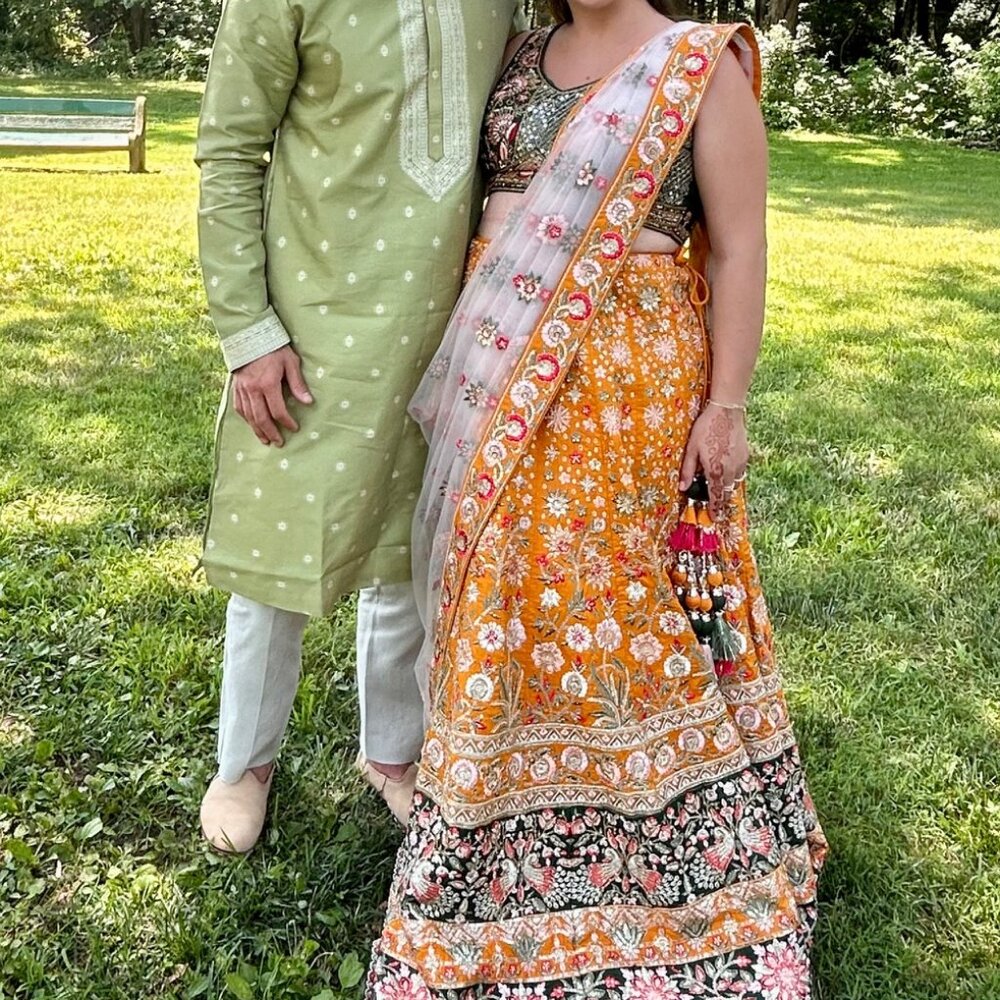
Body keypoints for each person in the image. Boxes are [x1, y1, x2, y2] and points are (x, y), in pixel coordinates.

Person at [366, 0, 828, 996]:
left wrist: (728, 404)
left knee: (626, 594)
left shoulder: (699, 64)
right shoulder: (521, 54)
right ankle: (500, 808)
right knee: (507, 583)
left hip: (633, 383)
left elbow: (741, 247)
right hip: (502, 367)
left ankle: (666, 836)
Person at [194, 0, 525, 853]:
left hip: (448, 317)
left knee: (416, 541)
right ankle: (244, 763)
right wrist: (248, 331)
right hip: (311, 322)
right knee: (282, 545)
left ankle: (391, 753)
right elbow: (230, 148)